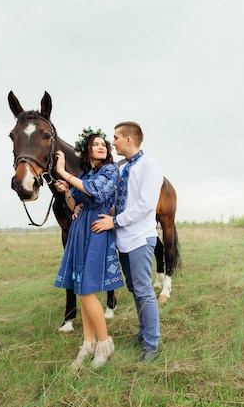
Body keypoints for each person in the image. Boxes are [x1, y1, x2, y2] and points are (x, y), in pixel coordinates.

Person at [92, 121, 164, 363]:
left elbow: (145, 205)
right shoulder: (122, 168)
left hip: (140, 238)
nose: (112, 142)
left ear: (129, 140)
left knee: (144, 291)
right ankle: (143, 334)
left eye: (115, 138)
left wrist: (115, 221)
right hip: (123, 239)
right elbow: (121, 200)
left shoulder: (150, 166)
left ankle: (152, 345)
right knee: (135, 289)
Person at [54, 127, 123, 370]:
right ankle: (88, 343)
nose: (102, 146)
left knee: (86, 291)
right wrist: (67, 195)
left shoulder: (110, 170)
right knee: (83, 288)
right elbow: (77, 201)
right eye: (96, 144)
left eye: (104, 143)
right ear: (87, 151)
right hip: (80, 230)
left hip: (96, 231)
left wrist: (63, 171)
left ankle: (104, 343)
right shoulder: (87, 173)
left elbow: (96, 191)